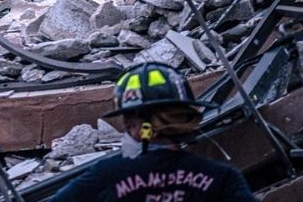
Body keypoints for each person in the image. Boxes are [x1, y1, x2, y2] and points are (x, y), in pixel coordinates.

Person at [51, 62, 254, 202]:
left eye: (128, 124)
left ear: (140, 127)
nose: (127, 131)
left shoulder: (106, 175)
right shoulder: (220, 177)